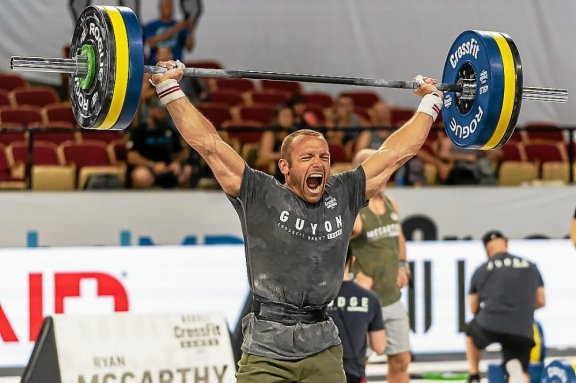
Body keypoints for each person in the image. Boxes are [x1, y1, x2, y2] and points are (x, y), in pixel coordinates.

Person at [149, 59, 442, 382]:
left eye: (324, 157)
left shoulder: (344, 193)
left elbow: (396, 152)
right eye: (307, 157)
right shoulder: (260, 193)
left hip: (322, 345)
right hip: (266, 348)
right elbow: (209, 145)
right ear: (285, 167)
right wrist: (169, 88)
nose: (319, 163)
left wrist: (430, 101)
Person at [349, 148, 412, 383]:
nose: (385, 175)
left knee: (401, 360)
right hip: (364, 302)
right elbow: (334, 248)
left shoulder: (391, 203)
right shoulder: (354, 212)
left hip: (392, 298)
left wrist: (402, 265)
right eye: (379, 169)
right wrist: (351, 277)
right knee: (356, 366)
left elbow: (400, 238)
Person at [465, 231, 546, 383]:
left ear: (487, 250)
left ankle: (474, 375)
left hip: (491, 322)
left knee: (470, 330)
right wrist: (519, 308)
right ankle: (515, 369)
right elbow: (541, 300)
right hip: (521, 327)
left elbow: (473, 307)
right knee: (520, 369)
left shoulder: (481, 269)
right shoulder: (531, 266)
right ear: (506, 244)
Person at [327, 247, 386, 383]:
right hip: (353, 372)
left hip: (321, 372)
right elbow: (379, 346)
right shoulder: (369, 298)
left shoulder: (315, 297)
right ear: (352, 261)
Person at [126, 102, 191, 189]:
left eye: (164, 111)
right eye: (160, 110)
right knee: (141, 176)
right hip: (147, 167)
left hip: (167, 167)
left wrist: (177, 162)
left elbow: (182, 152)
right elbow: (131, 157)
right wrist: (152, 165)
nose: (163, 114)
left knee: (187, 171)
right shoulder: (139, 131)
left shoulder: (170, 130)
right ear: (151, 111)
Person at [143, 0, 195, 65]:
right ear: (160, 8)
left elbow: (190, 48)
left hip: (176, 68)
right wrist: (173, 30)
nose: (169, 10)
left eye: (171, 7)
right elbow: (152, 43)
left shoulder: (180, 26)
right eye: (166, 6)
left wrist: (190, 31)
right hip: (155, 67)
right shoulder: (150, 26)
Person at [256, 105, 297, 182]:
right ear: (277, 118)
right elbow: (264, 155)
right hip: (274, 171)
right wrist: (282, 156)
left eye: (291, 116)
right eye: (285, 116)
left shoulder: (293, 133)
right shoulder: (270, 133)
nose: (289, 119)